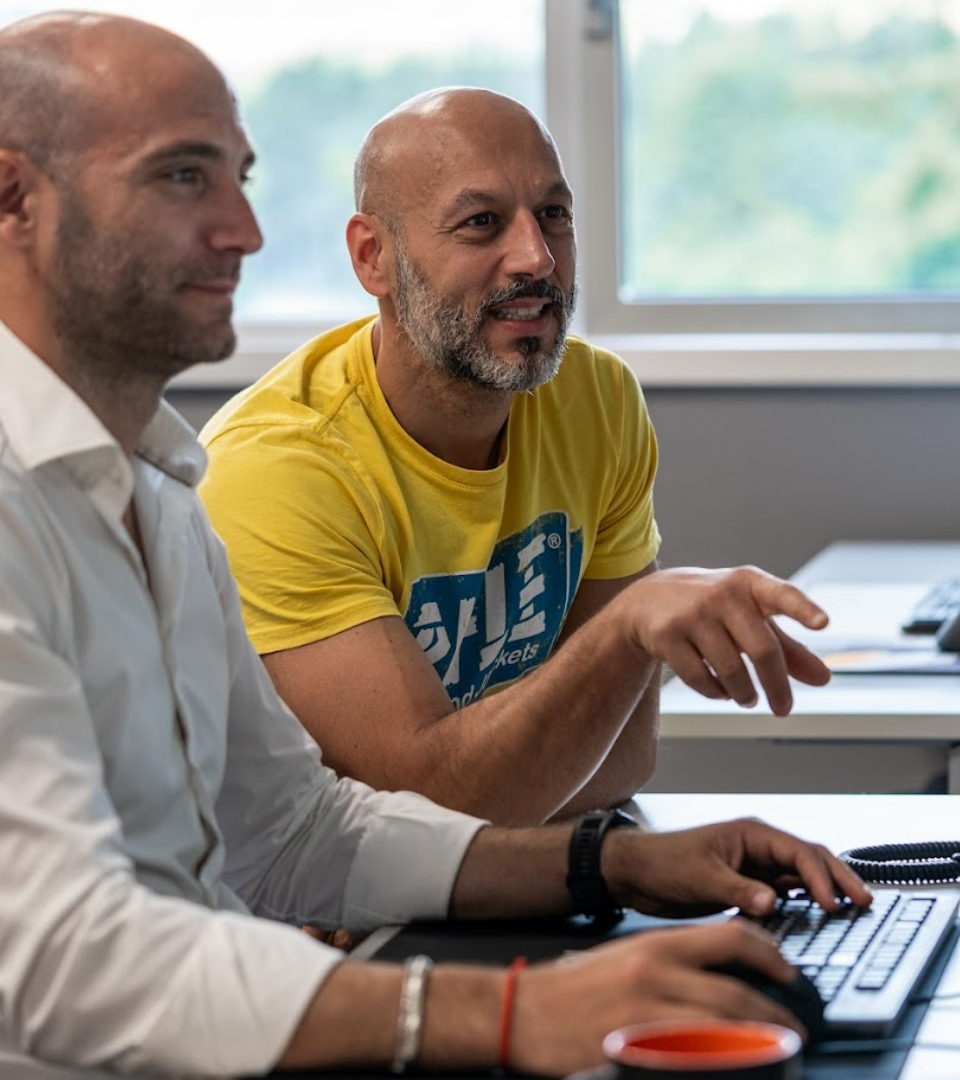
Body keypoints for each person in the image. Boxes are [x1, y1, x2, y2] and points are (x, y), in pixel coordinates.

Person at [0, 11, 873, 1079]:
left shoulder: (163, 490)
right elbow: (57, 959)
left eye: (241, 178)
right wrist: (504, 1013)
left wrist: (611, 863)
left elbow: (301, 835)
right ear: (13, 201)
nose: (244, 229)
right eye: (183, 177)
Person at [199, 86, 834, 825]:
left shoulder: (596, 399)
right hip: (305, 920)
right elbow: (432, 809)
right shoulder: (275, 469)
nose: (536, 257)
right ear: (374, 258)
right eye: (481, 224)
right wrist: (622, 636)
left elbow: (624, 757)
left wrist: (503, 789)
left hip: (493, 884)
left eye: (554, 215)